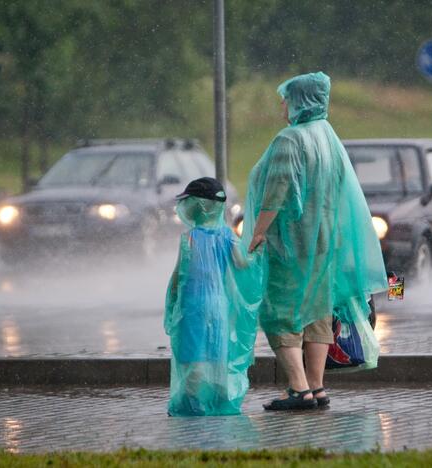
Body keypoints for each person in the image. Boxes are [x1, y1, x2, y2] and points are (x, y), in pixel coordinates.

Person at [243, 72, 387, 410]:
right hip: (324, 245)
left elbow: (277, 191)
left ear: (300, 101)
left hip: (290, 245)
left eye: (287, 98)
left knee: (281, 314)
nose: (283, 105)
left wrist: (259, 230)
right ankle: (317, 387)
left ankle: (298, 388)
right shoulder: (327, 137)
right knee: (317, 314)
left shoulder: (289, 140)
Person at [164, 177, 261, 416]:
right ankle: (218, 400)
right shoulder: (227, 236)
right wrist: (258, 251)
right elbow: (242, 263)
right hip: (218, 305)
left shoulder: (189, 237)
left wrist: (172, 300)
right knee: (216, 354)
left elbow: (179, 275)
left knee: (192, 355)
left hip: (193, 304)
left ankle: (194, 401)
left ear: (197, 206)